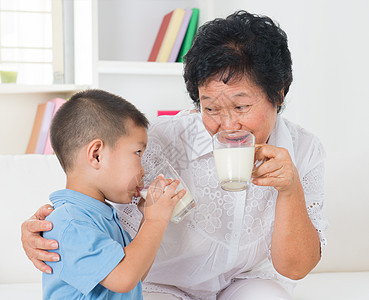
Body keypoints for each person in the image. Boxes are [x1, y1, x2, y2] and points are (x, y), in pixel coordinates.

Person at [21, 11, 327, 300]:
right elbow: (87, 180)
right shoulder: (161, 139)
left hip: (245, 283)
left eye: (241, 106)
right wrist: (45, 231)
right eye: (210, 108)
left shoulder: (304, 149)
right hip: (163, 285)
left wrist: (289, 189)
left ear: (279, 92)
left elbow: (296, 268)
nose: (228, 125)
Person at [39, 89, 186, 299]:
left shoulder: (102, 215)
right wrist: (156, 219)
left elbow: (136, 275)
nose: (143, 170)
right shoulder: (70, 223)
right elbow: (124, 278)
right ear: (96, 155)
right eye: (137, 153)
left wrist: (147, 219)